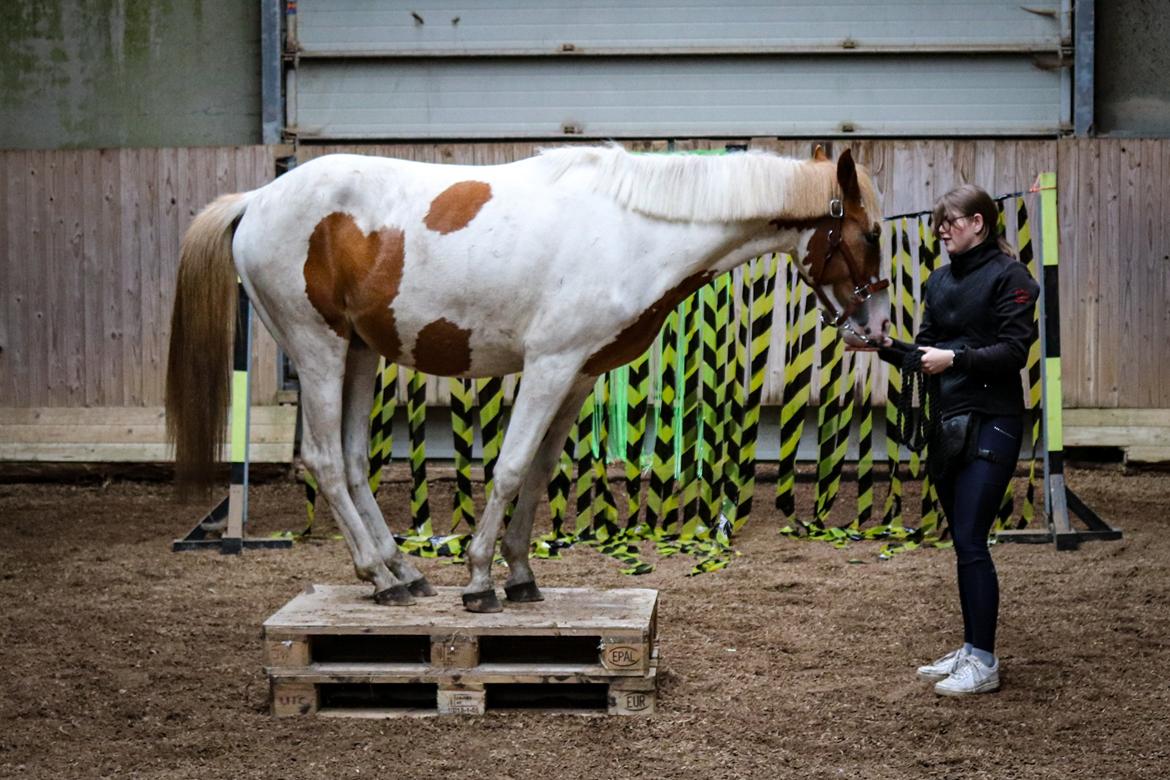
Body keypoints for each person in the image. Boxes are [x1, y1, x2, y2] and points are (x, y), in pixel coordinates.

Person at [875, 184, 1039, 696]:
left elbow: (1014, 352)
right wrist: (881, 346)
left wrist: (958, 359)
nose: (943, 229)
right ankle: (971, 648)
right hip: (948, 424)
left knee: (971, 538)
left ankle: (985, 662)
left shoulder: (1012, 278)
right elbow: (926, 354)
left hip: (995, 420)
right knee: (963, 542)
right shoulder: (939, 280)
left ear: (979, 224)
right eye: (939, 222)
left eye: (952, 220)